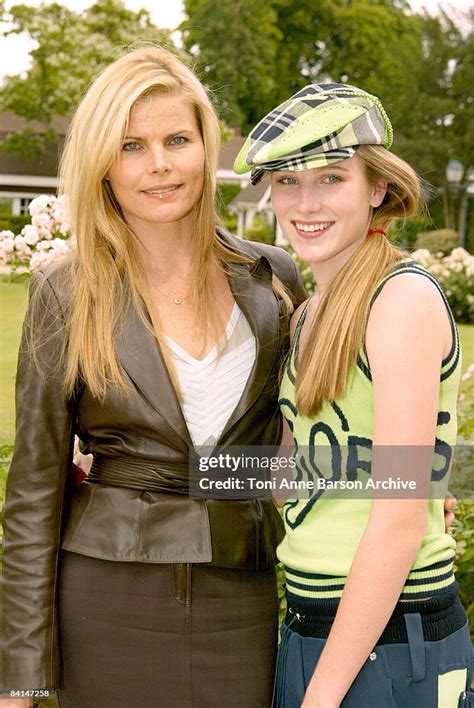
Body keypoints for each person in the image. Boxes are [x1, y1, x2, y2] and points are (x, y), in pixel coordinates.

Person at [0, 45, 308, 708]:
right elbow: (32, 494)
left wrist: (410, 480)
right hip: (104, 597)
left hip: (241, 598)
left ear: (207, 147)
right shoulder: (67, 288)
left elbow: (287, 457)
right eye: (132, 145)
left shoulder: (273, 278)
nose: (160, 164)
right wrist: (18, 686)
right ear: (103, 164)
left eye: (177, 139)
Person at [234, 84, 473, 707]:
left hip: (389, 639)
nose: (305, 203)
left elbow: (397, 519)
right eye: (287, 182)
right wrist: (133, 468)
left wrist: (321, 698)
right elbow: (292, 473)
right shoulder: (309, 314)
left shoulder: (401, 299)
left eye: (331, 178)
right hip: (316, 627)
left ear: (377, 189)